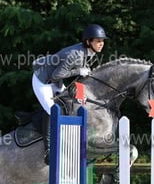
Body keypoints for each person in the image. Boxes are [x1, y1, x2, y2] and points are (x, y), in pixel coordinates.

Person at [31, 24, 107, 164]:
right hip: (43, 81)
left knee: (71, 104)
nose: (101, 44)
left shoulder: (89, 52)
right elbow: (56, 75)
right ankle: (48, 150)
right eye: (98, 41)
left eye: (102, 41)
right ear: (88, 41)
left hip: (56, 81)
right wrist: (78, 71)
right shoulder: (75, 55)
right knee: (52, 110)